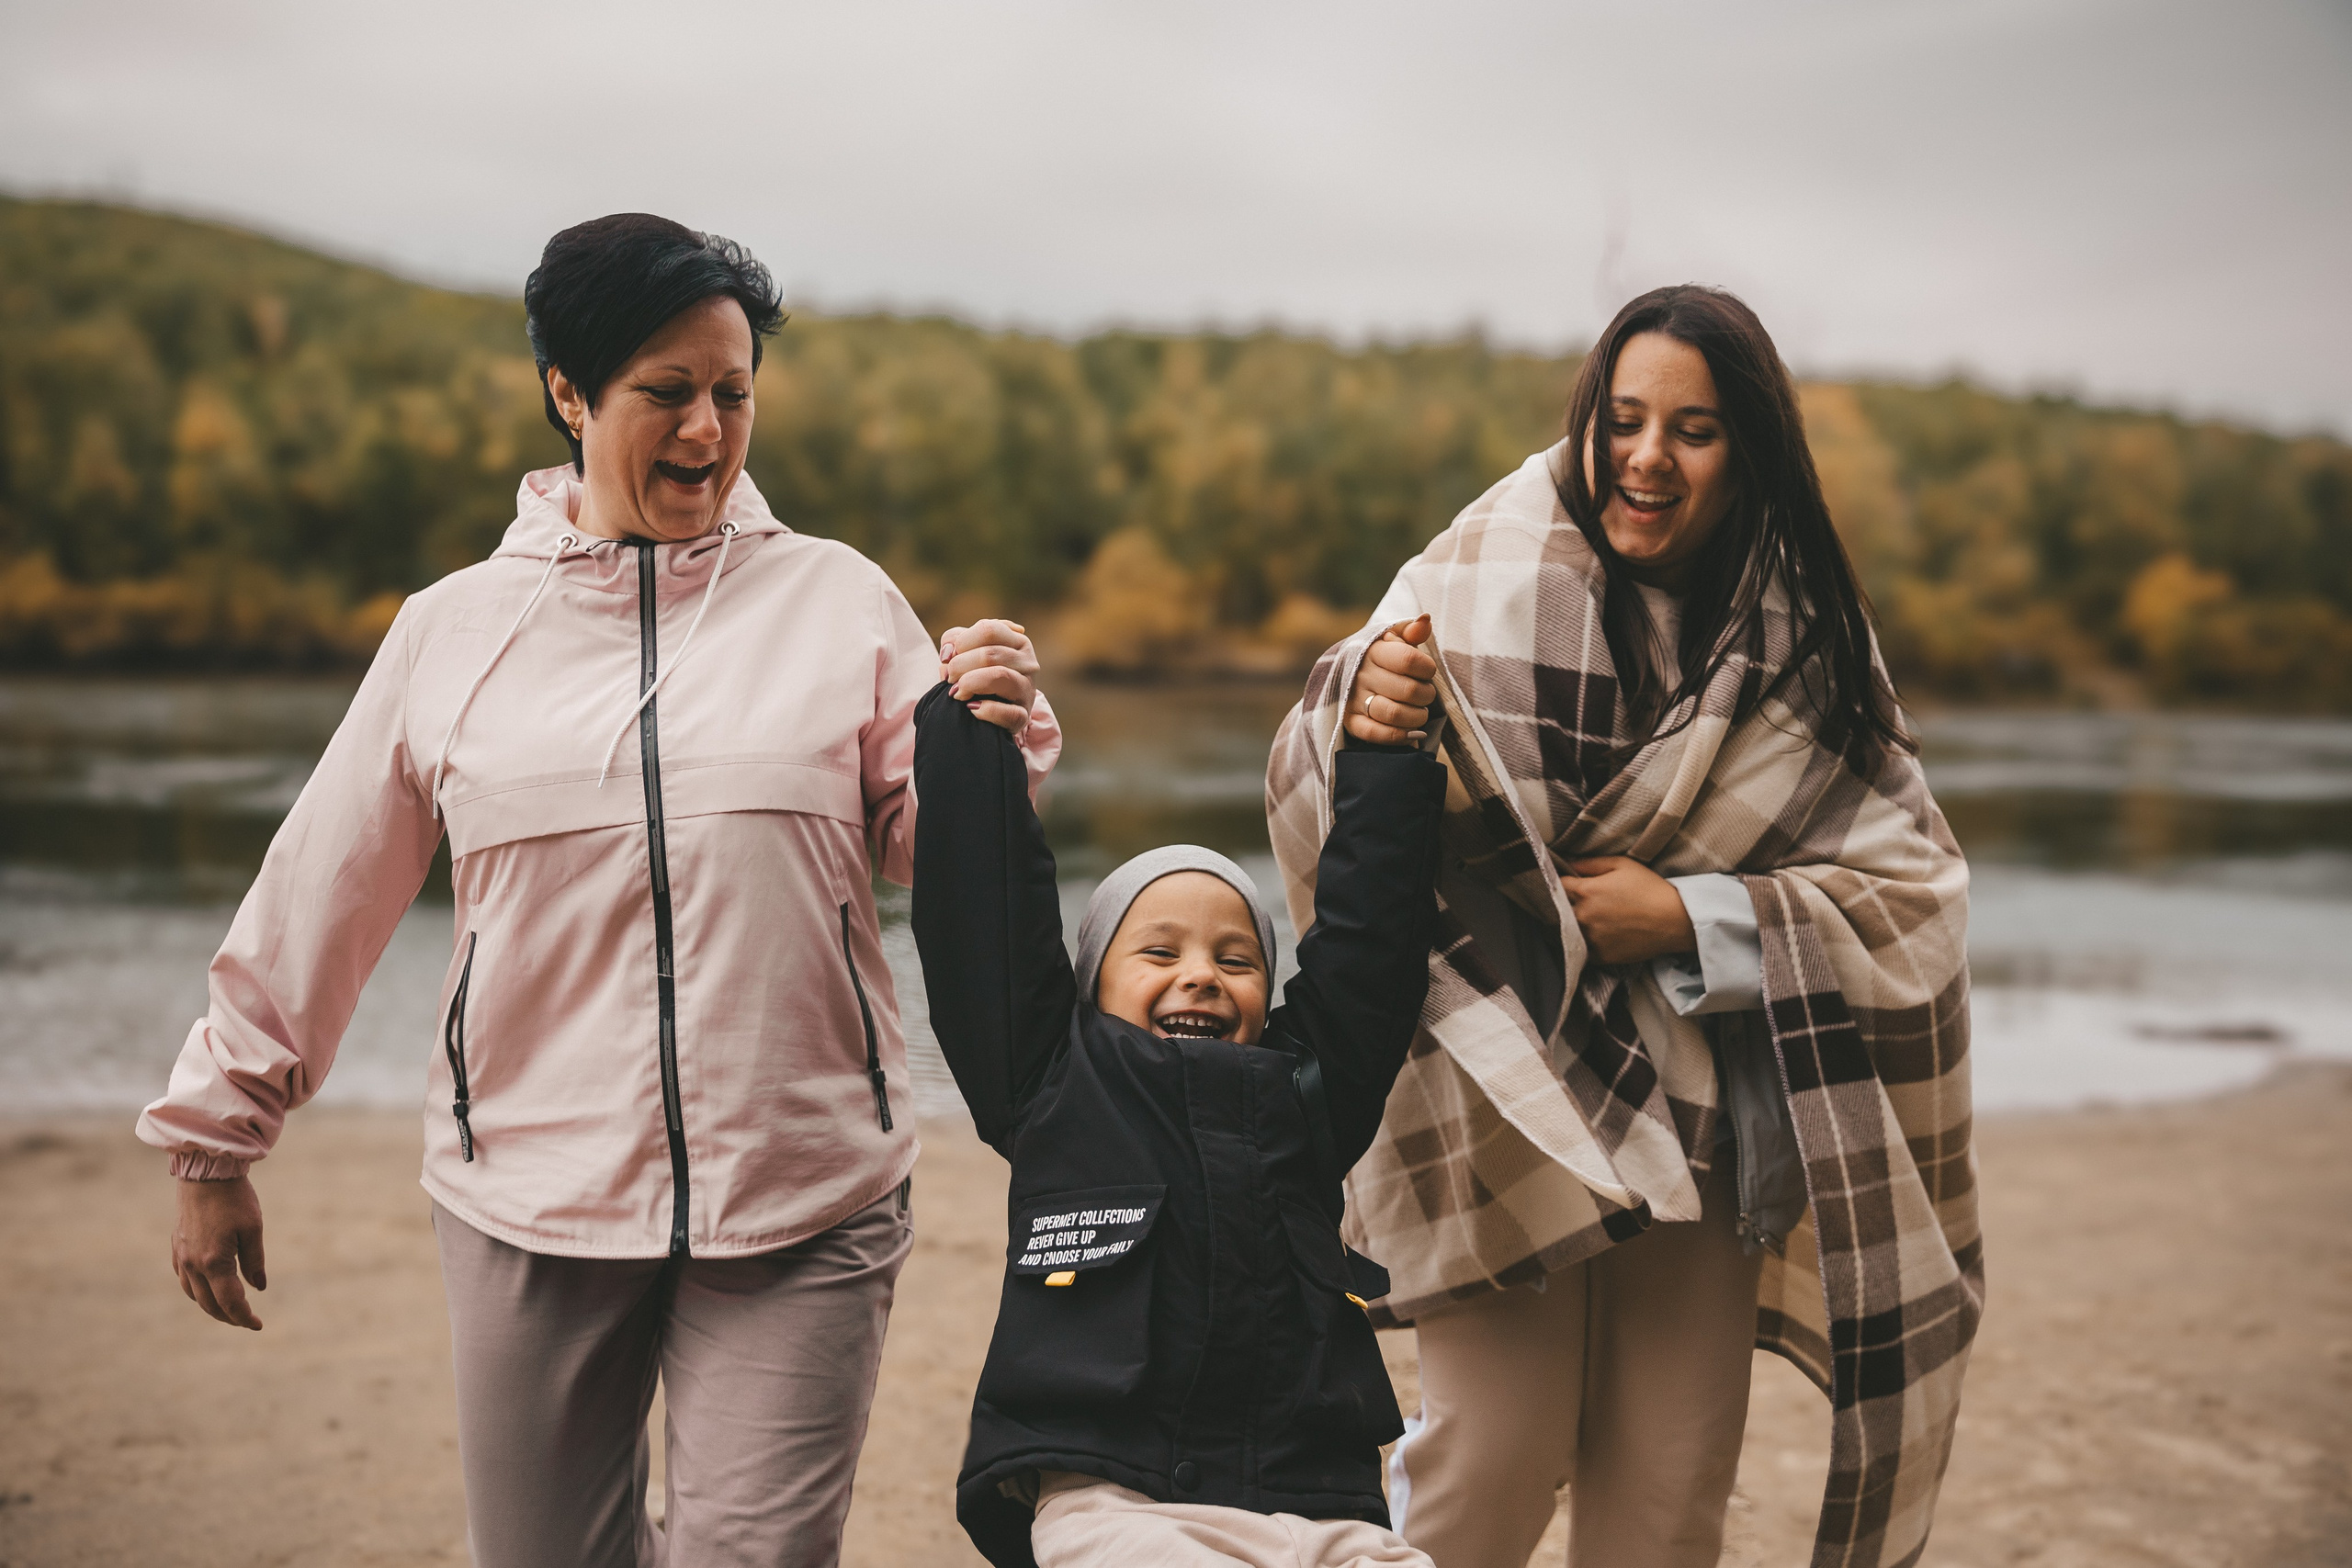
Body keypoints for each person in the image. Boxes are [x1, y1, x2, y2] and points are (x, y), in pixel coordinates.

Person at [136, 212, 1059, 1568]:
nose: (706, 430)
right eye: (665, 392)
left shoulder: (842, 600)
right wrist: (218, 1131)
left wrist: (996, 736)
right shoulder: (448, 632)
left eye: (732, 392)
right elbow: (322, 889)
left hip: (806, 1191)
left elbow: (926, 843)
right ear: (568, 392)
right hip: (529, 1197)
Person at [1265, 285, 1981, 1568]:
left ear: (1749, 450)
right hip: (1497, 1100)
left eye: (1695, 430)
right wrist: (1358, 710)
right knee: (1484, 1464)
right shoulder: (1475, 569)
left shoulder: (1810, 641)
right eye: (1626, 418)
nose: (1647, 457)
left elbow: (1916, 897)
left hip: (1702, 1127)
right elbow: (1319, 771)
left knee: (1667, 1491)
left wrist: (1696, 914)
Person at [906, 639, 1450, 1568]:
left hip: (1321, 1505)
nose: (1200, 975)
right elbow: (981, 911)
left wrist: (1385, 759)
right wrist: (974, 741)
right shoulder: (1048, 1077)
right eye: (1158, 953)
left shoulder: (1306, 1089)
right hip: (1120, 1500)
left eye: (1235, 960)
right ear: (1090, 987)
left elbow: (1370, 942)